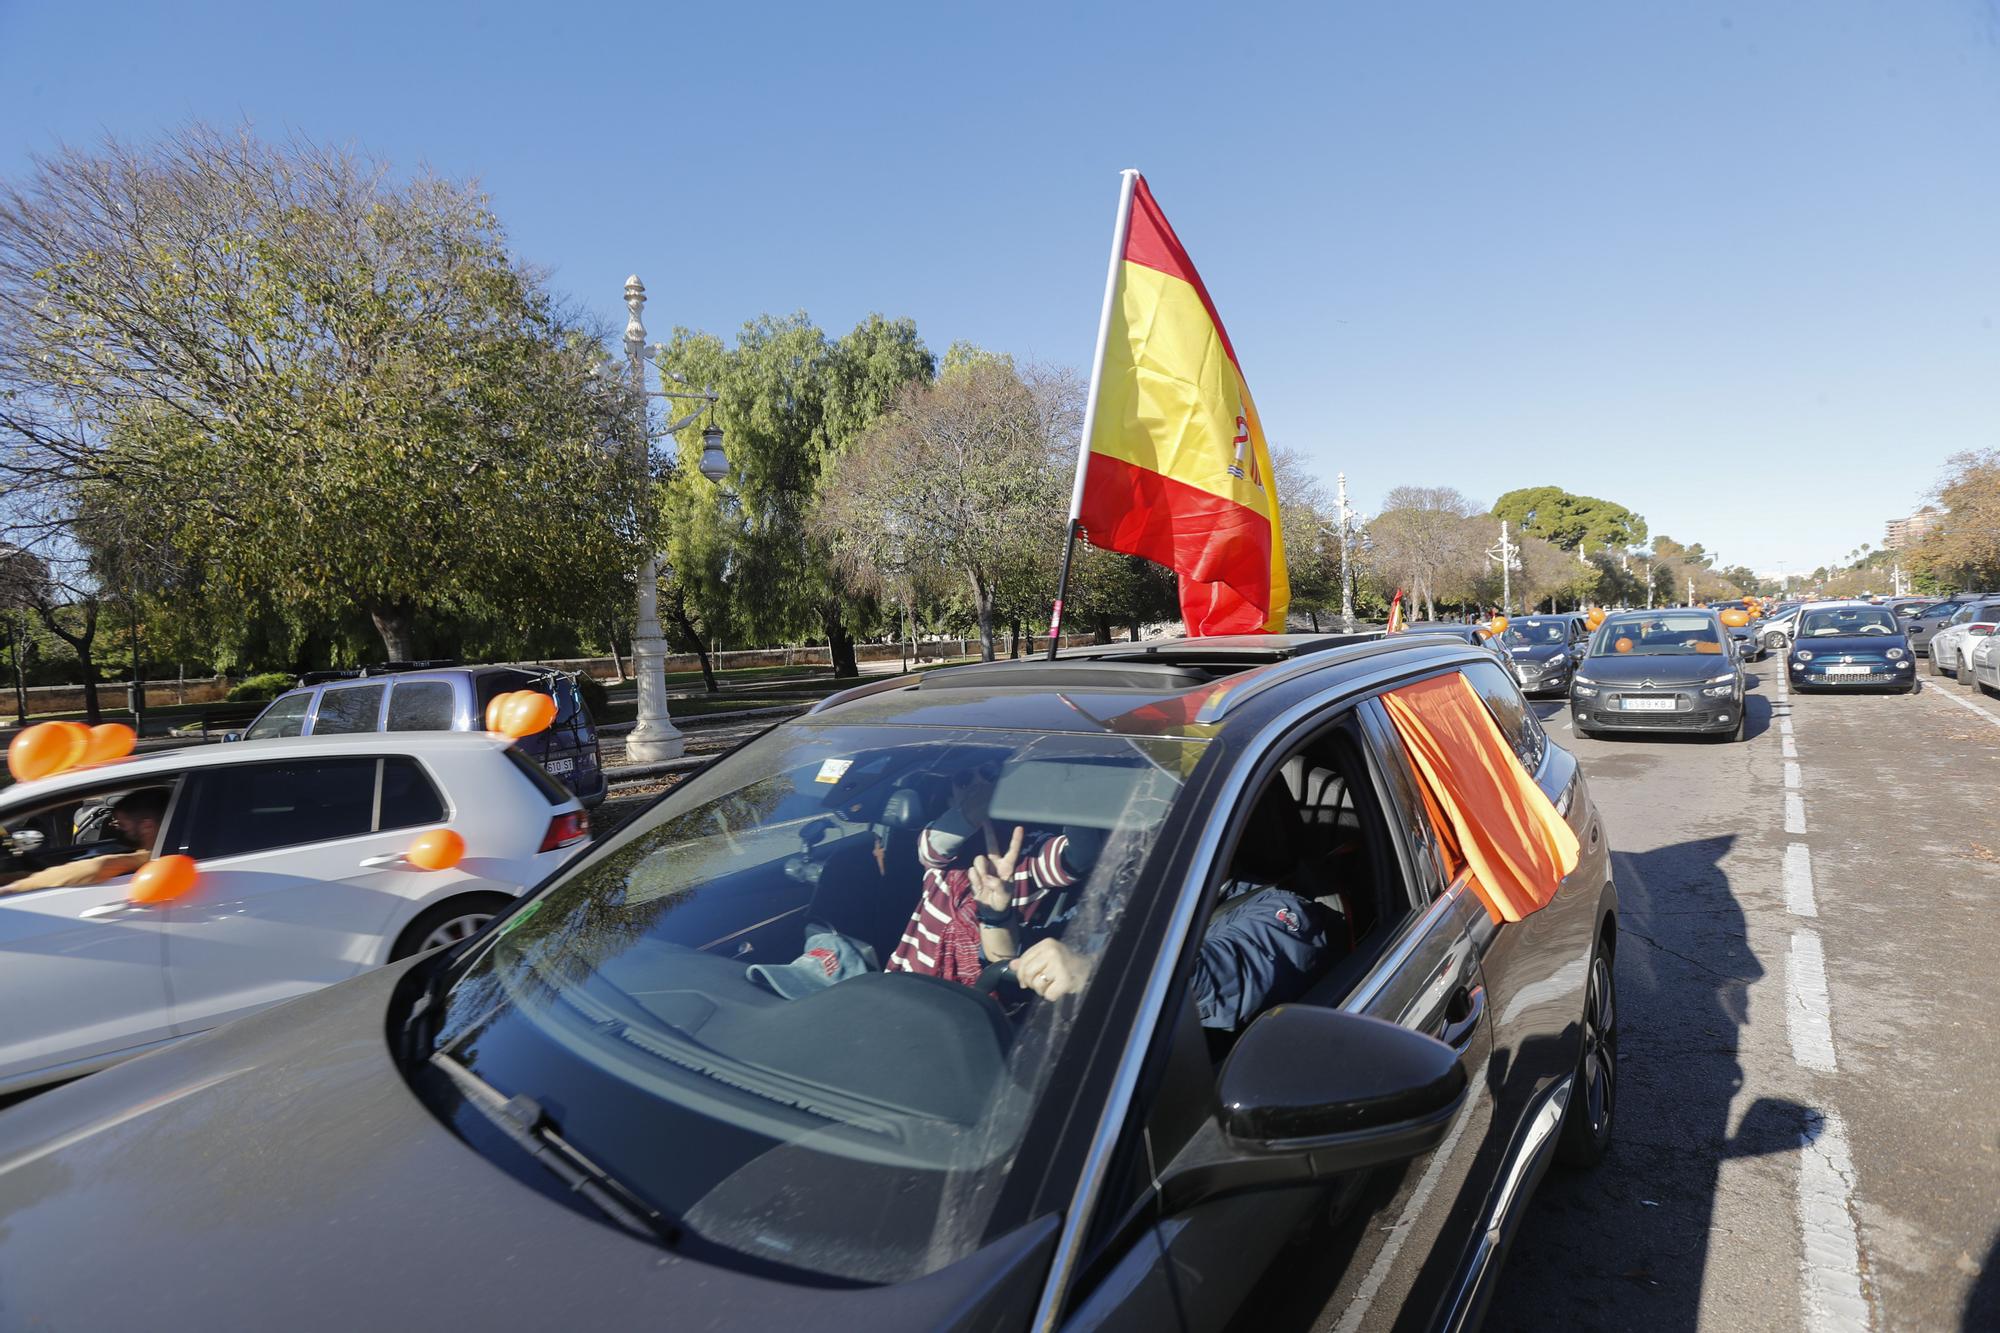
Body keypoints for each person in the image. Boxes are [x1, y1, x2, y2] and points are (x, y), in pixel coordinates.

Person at [0, 787, 167, 895]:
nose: (116, 828)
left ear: (147, 827)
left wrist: (12, 889)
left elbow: (97, 867)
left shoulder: (145, 859)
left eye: (122, 825)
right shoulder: (158, 852)